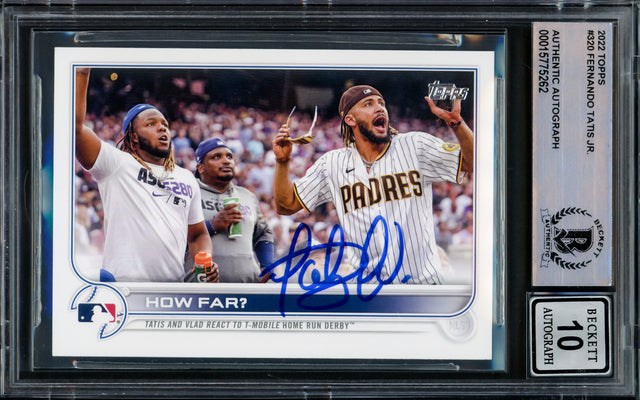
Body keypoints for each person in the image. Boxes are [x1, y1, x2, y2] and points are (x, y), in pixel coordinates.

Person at [272, 85, 474, 285]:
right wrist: (282, 162)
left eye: (381, 103)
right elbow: (286, 205)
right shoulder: (332, 164)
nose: (379, 108)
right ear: (350, 119)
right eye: (368, 104)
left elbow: (473, 162)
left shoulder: (415, 145)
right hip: (367, 291)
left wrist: (456, 122)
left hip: (422, 286)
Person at [75, 68, 215, 282]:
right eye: (151, 124)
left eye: (164, 124)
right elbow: (75, 130)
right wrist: (82, 73)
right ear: (133, 137)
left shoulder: (186, 177)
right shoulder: (117, 164)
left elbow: (197, 234)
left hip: (172, 289)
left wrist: (204, 263)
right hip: (123, 286)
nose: (162, 128)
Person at [184, 137, 275, 283]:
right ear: (201, 168)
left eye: (229, 156)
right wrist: (213, 225)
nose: (226, 161)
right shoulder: (188, 193)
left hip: (248, 287)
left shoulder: (247, 195)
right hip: (202, 288)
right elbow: (175, 235)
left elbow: (263, 233)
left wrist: (267, 265)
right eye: (216, 157)